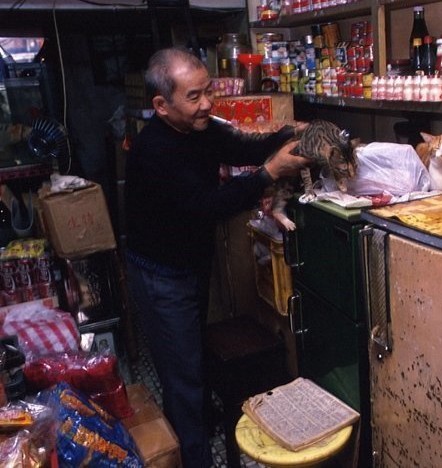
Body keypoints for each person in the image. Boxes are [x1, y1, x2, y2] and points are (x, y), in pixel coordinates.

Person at [124, 47, 309, 468]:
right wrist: (269, 174)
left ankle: (196, 438)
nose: (207, 103)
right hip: (161, 277)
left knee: (190, 367)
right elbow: (206, 206)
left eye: (208, 91)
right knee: (184, 380)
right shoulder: (154, 150)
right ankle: (196, 458)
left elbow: (242, 147)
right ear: (161, 105)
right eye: (194, 96)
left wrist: (289, 135)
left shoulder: (200, 128)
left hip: (189, 266)